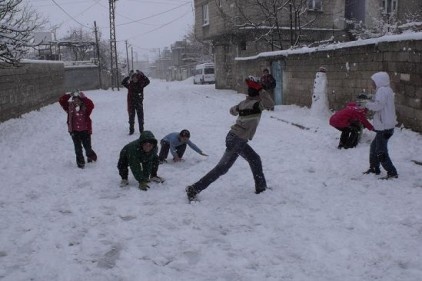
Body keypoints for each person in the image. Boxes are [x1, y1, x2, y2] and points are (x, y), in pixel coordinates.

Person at [185, 76, 275, 201]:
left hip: (234, 137)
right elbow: (270, 104)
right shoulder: (256, 105)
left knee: (255, 159)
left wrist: (239, 108)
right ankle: (194, 188)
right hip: (237, 140)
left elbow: (231, 111)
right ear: (258, 94)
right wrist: (261, 90)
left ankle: (261, 187)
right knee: (222, 168)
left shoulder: (243, 104)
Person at [362, 72, 398, 179]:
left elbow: (378, 105)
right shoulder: (387, 90)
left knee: (380, 151)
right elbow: (380, 101)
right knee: (374, 148)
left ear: (379, 81)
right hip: (386, 126)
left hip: (384, 127)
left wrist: (366, 104)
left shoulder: (382, 90)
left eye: (373, 81)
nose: (372, 83)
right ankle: (374, 168)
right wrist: (371, 98)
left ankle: (392, 172)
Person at [59, 90, 97, 169]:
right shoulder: (69, 107)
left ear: (81, 101)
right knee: (78, 149)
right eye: (74, 100)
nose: (76, 101)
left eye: (78, 100)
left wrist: (84, 98)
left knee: (88, 148)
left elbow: (91, 105)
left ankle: (90, 156)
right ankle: (81, 164)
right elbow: (61, 101)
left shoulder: (86, 108)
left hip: (85, 131)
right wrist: (69, 94)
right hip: (74, 132)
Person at [121, 70, 150, 135]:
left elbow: (148, 81)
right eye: (133, 78)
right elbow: (123, 82)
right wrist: (129, 76)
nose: (134, 79)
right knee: (131, 118)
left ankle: (141, 130)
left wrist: (142, 75)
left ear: (137, 78)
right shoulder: (130, 85)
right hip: (131, 104)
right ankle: (131, 130)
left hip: (139, 103)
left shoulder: (141, 84)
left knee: (140, 117)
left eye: (136, 77)